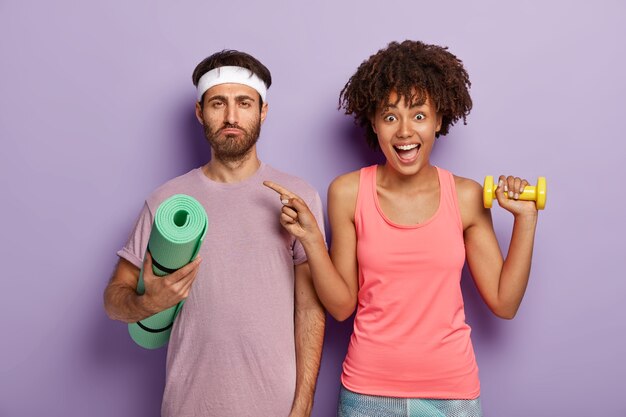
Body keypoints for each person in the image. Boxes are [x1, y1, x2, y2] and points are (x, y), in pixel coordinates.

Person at [264, 40, 539, 417]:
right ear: (373, 123)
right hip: (367, 394)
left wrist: (525, 220)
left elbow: (505, 303)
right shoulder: (347, 193)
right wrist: (311, 239)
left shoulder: (466, 196)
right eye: (390, 116)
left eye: (419, 115)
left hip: (451, 395)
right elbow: (343, 307)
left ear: (439, 120)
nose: (404, 132)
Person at [104, 50, 326, 417]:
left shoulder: (296, 197)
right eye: (218, 103)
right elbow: (114, 301)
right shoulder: (166, 201)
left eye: (244, 103)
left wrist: (302, 407)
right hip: (188, 405)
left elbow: (309, 310)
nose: (231, 117)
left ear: (263, 111)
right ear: (199, 111)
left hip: (275, 407)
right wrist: (146, 303)